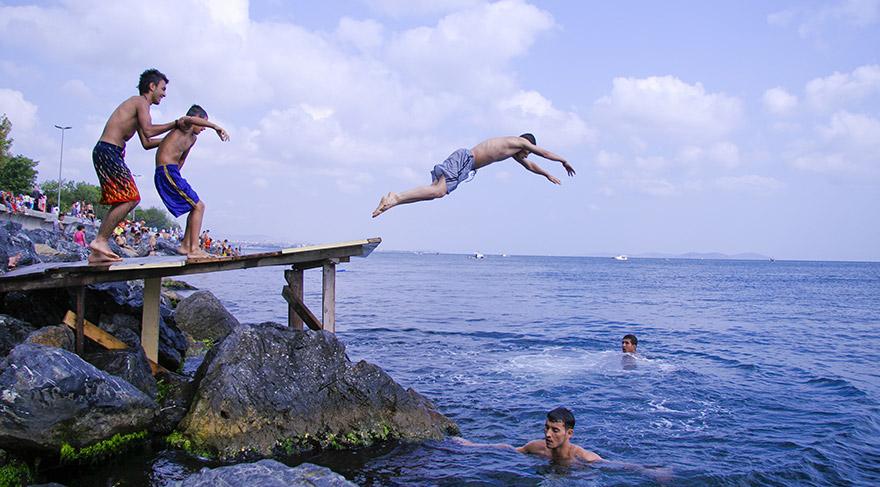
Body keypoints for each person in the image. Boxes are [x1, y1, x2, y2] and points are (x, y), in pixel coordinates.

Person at [88, 68, 181, 264]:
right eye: (163, 89)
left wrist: (173, 141)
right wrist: (175, 124)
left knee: (121, 200)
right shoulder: (140, 102)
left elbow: (147, 142)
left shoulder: (139, 108)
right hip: (108, 151)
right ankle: (100, 241)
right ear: (152, 86)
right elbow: (148, 130)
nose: (164, 94)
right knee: (131, 198)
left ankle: (97, 251)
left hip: (108, 152)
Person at [372, 134, 575, 217]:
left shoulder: (513, 152)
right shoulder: (518, 142)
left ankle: (393, 201)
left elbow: (530, 165)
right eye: (527, 151)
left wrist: (547, 174)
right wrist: (562, 160)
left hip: (465, 166)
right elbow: (543, 153)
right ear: (526, 143)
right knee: (438, 191)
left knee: (436, 192)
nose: (526, 155)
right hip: (465, 159)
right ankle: (395, 197)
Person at [154, 104, 229, 258]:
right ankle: (194, 249)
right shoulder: (184, 126)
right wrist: (216, 127)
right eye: (203, 124)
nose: (203, 129)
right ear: (197, 119)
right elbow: (190, 119)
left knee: (195, 207)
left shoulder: (192, 138)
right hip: (166, 170)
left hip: (173, 172)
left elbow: (182, 159)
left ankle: (185, 246)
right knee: (199, 206)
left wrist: (179, 178)